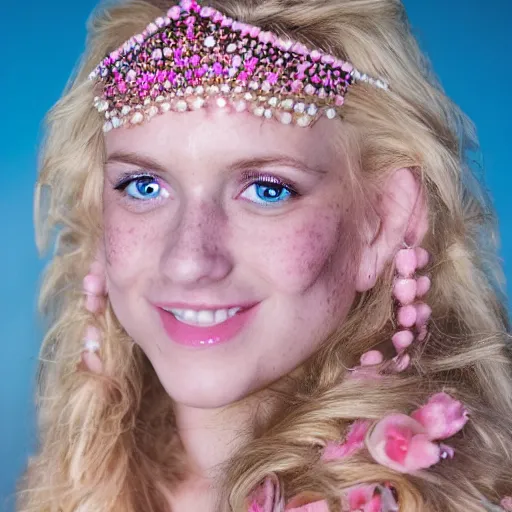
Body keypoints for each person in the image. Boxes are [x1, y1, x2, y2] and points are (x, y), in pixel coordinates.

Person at [17, 0, 512, 510]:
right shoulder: (74, 487)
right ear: (95, 211)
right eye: (143, 186)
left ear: (382, 222)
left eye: (267, 190)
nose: (188, 260)